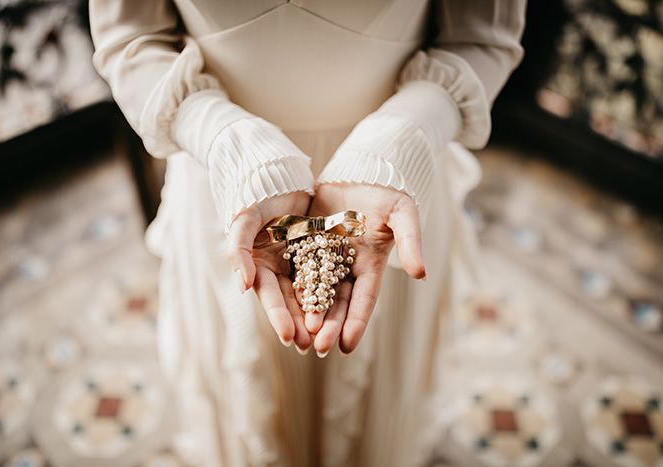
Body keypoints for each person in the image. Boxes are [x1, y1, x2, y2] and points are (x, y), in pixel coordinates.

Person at [88, 1, 526, 466]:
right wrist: (220, 135)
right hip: (236, 182)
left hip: (389, 181)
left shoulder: (380, 188)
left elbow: (483, 38)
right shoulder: (236, 165)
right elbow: (130, 39)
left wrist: (404, 137)